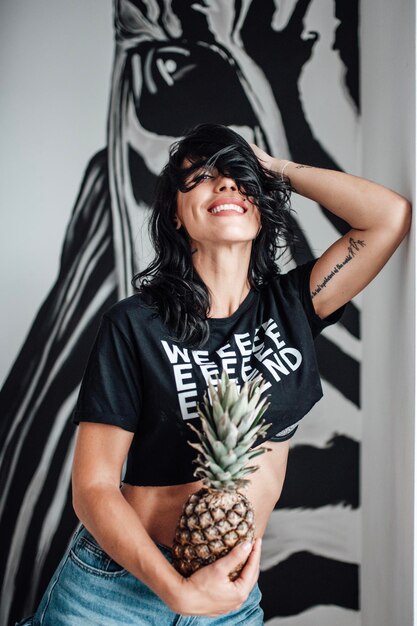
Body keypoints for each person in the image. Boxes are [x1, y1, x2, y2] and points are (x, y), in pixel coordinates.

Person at [18, 124, 411, 625]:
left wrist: (272, 169)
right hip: (118, 586)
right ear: (176, 218)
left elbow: (388, 218)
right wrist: (176, 591)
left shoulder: (294, 305)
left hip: (229, 592)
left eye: (237, 177)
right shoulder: (136, 324)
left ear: (261, 209)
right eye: (202, 177)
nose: (225, 185)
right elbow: (93, 487)